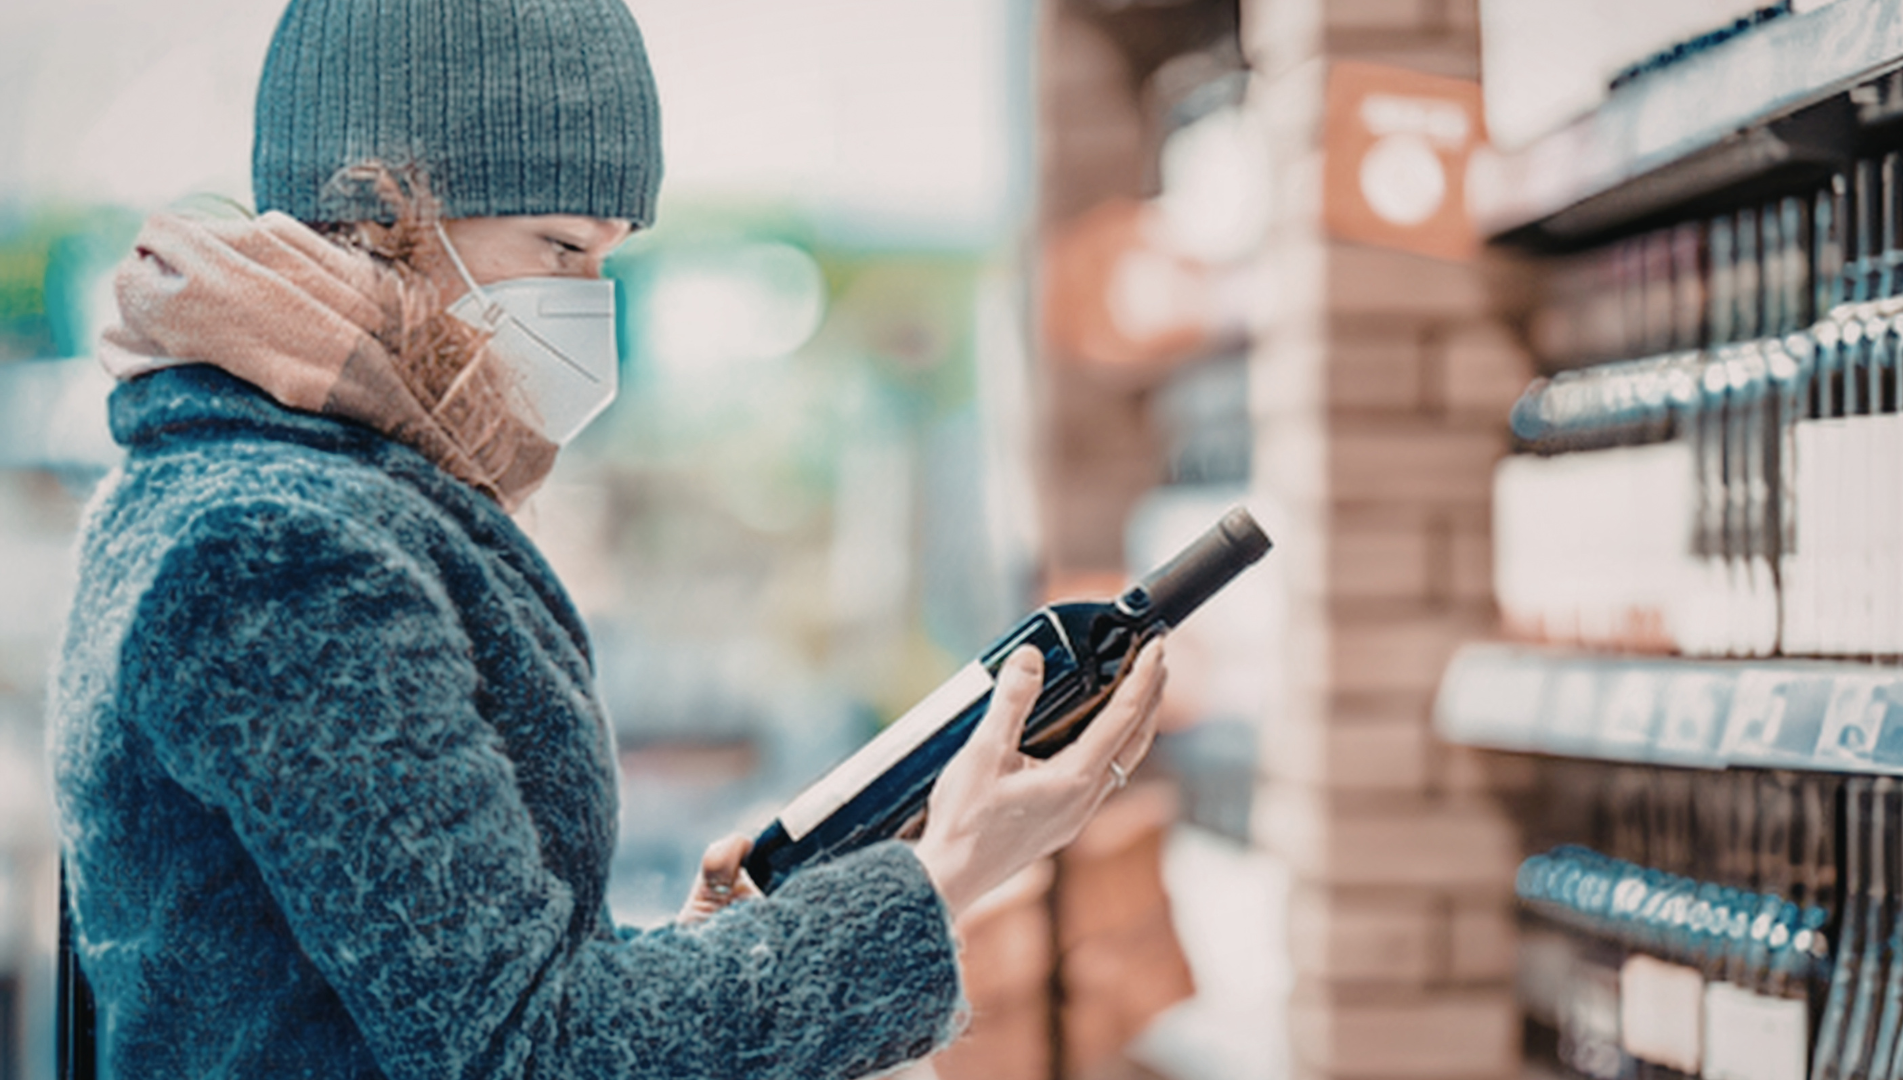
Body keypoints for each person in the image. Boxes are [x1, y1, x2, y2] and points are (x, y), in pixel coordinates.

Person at [47, 0, 1167, 1077]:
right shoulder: (282, 548)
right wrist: (943, 870)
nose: (592, 301)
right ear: (381, 201)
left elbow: (436, 1005)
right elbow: (533, 1054)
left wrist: (703, 954)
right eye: (563, 247)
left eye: (610, 258)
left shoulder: (271, 488)